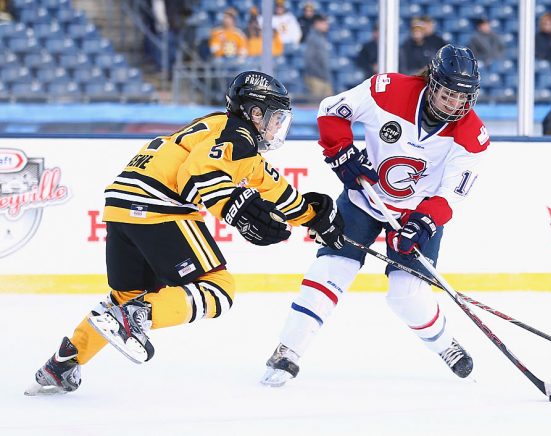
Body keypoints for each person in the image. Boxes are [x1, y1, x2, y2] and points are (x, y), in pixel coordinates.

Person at [25, 71, 345, 395]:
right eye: (275, 117)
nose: (278, 127)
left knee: (125, 298)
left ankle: (62, 364)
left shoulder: (225, 130)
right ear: (255, 112)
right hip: (157, 205)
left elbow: (271, 185)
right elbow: (197, 174)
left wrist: (312, 218)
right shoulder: (238, 136)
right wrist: (234, 208)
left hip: (121, 206)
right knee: (219, 289)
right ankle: (137, 318)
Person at [260, 45, 490, 387]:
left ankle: (445, 345)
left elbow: (448, 196)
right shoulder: (388, 90)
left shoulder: (473, 135)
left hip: (416, 211)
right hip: (364, 198)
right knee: (332, 268)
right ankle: (287, 350)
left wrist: (424, 224)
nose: (455, 104)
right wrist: (340, 150)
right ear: (432, 82)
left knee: (406, 294)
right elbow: (330, 111)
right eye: (448, 93)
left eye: (463, 97)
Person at [304, 14, 333, 101]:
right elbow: (310, 59)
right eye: (324, 23)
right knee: (315, 105)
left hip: (324, 77)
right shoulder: (312, 37)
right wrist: (320, 75)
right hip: (316, 78)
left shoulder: (321, 37)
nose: (327, 25)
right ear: (317, 23)